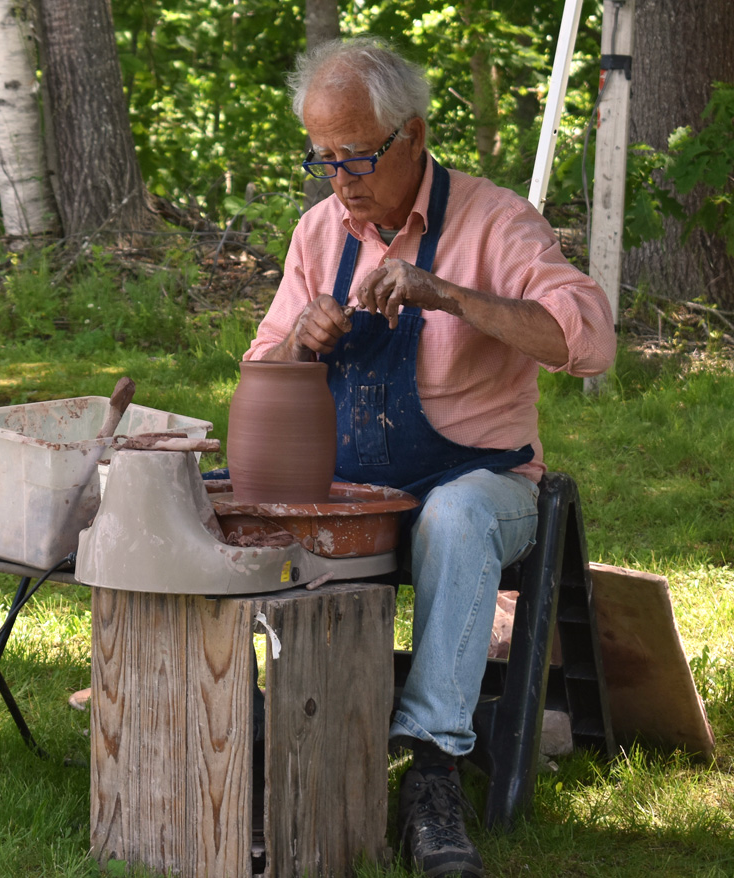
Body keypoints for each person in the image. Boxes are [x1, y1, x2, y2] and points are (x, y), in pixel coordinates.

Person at [243, 36, 616, 878]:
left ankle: (433, 774)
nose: (342, 179)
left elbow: (590, 342)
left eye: (359, 157)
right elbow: (259, 370)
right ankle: (283, 743)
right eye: (325, 160)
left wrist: (448, 294)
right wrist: (302, 342)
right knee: (251, 507)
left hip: (486, 487)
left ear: (411, 134)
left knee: (452, 516)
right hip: (358, 490)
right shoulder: (318, 234)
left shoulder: (496, 222)